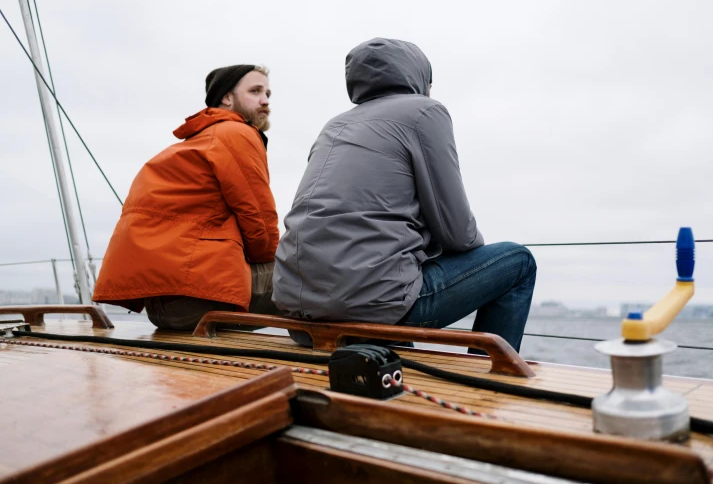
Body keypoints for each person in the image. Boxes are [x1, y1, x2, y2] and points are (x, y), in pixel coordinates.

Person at [273, 38, 536, 353]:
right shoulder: (425, 112)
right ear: (421, 80)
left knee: (394, 272)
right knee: (517, 261)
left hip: (298, 312)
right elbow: (459, 233)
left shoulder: (335, 125)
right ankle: (488, 379)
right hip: (371, 309)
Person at [93, 64, 280, 330]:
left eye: (268, 94)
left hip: (163, 307)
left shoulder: (197, 141)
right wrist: (279, 267)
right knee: (322, 276)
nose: (265, 101)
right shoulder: (235, 133)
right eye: (255, 91)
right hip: (201, 302)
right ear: (227, 98)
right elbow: (259, 221)